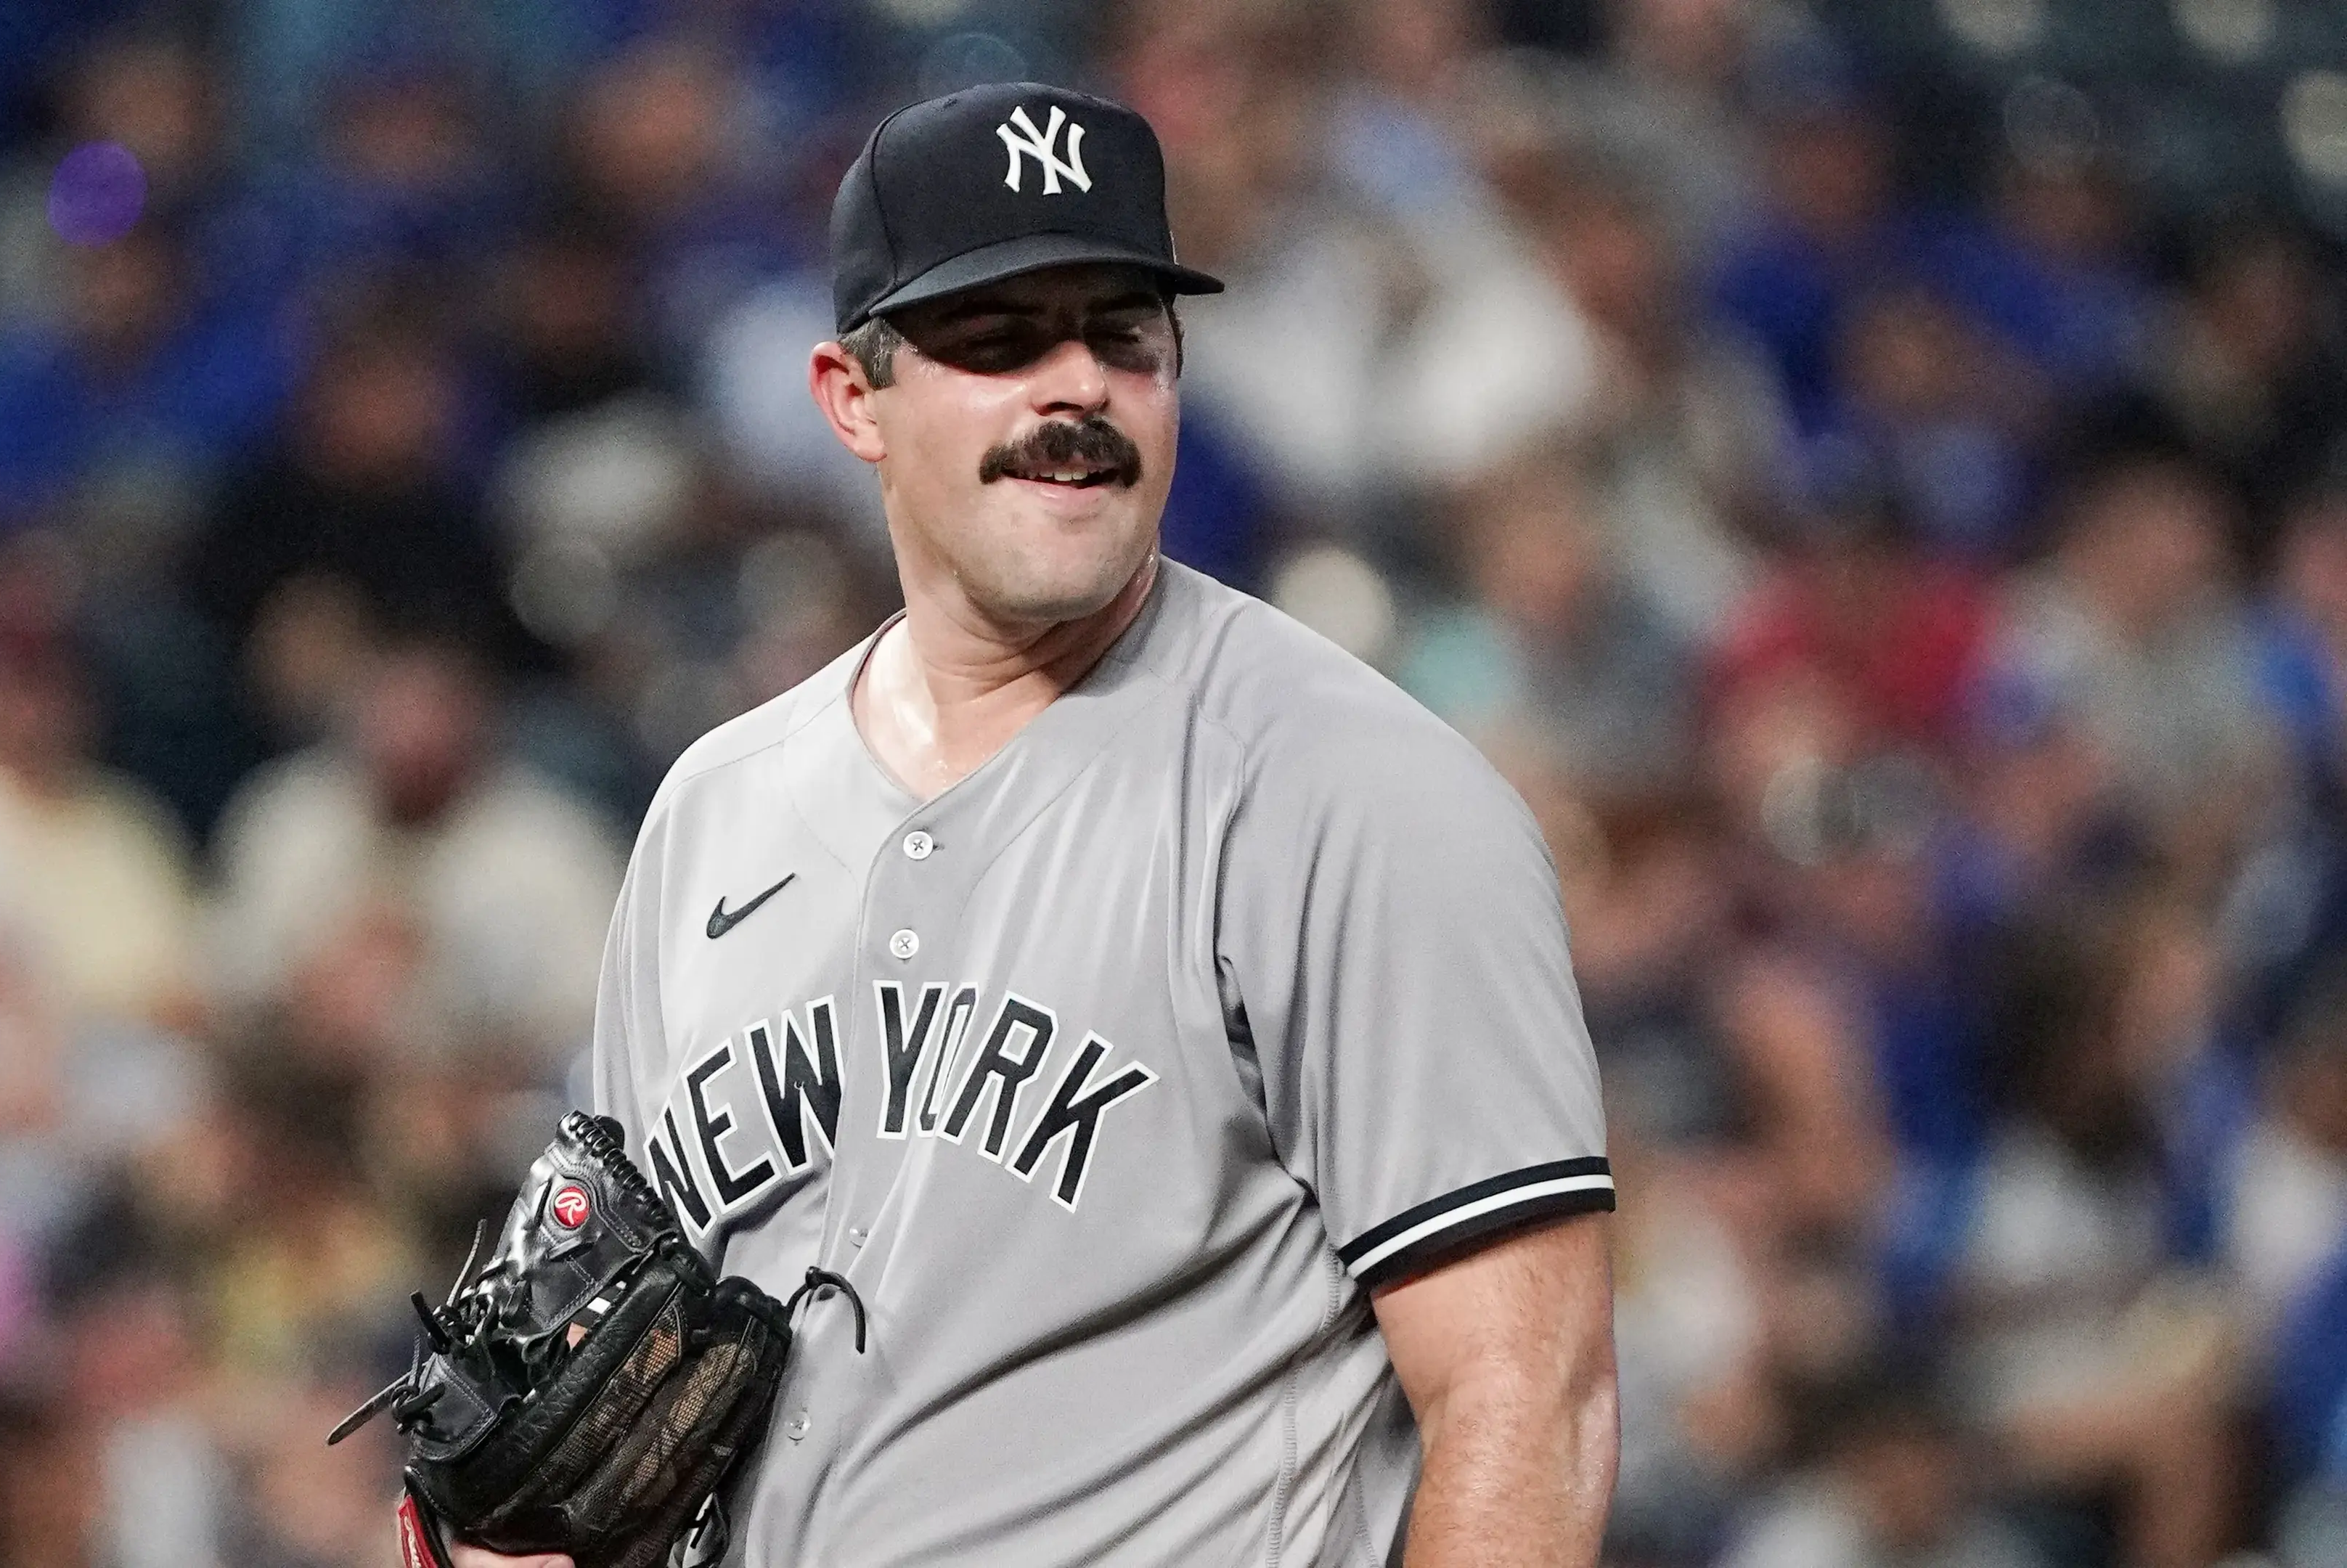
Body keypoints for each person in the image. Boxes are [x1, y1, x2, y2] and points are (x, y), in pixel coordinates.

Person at [450, 81, 1615, 1567]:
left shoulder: (1356, 797)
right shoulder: (715, 814)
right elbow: (619, 1382)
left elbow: (1529, 1401)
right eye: (999, 341)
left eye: (1122, 335)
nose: (1074, 389)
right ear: (851, 398)